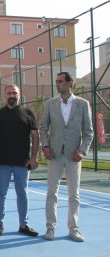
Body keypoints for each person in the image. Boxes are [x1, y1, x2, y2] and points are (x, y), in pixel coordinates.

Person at [40, 72, 94, 242]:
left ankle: (73, 228)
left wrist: (82, 150)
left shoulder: (83, 104)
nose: (58, 84)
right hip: (54, 155)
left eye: (61, 82)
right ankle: (50, 228)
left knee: (74, 194)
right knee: (51, 192)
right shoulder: (50, 104)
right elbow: (43, 128)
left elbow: (88, 132)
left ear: (70, 83)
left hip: (73, 156)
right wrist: (46, 146)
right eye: (56, 82)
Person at [0, 84, 39, 237]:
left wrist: (33, 157)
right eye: (9, 93)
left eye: (14, 93)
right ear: (5, 95)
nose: (12, 95)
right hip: (1, 162)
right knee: (1, 193)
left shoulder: (28, 113)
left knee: (22, 193)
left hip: (22, 162)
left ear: (19, 95)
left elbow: (36, 136)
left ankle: (23, 225)